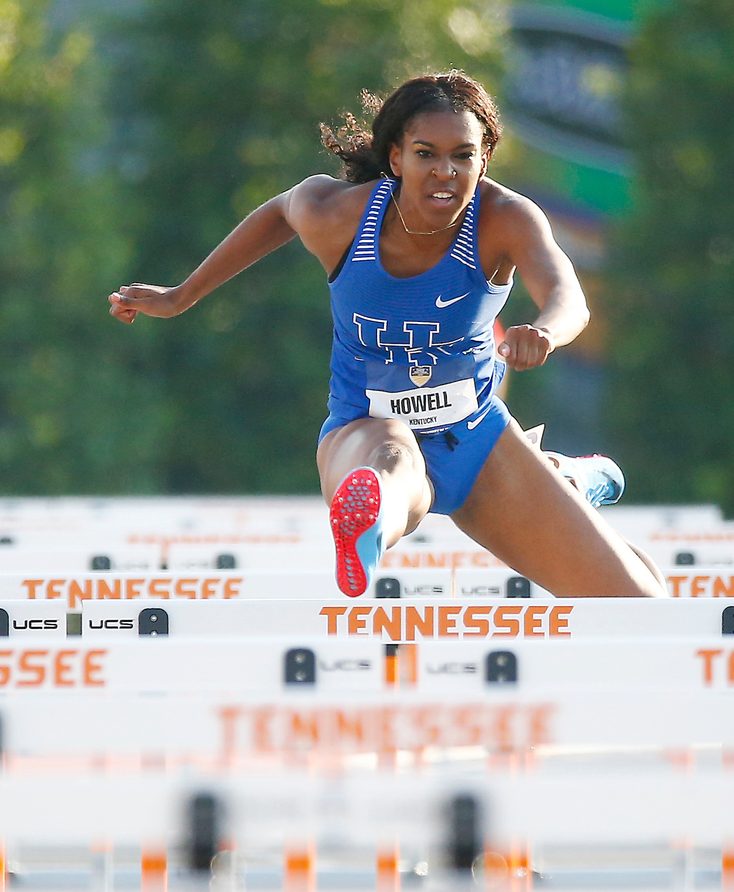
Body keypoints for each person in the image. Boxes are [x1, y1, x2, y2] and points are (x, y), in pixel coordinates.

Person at [109, 71, 666, 599]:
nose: (445, 172)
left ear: (485, 159)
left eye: (462, 156)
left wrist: (545, 332)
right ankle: (367, 529)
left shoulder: (507, 218)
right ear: (396, 157)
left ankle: (558, 480)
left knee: (639, 601)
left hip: (472, 436)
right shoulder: (340, 214)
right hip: (364, 427)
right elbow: (281, 212)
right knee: (397, 470)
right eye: (426, 154)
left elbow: (570, 296)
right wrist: (181, 295)